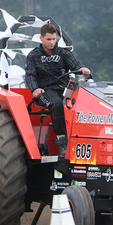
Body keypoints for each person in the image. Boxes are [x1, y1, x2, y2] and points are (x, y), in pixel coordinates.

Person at [25, 23, 91, 157]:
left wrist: (83, 69)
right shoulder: (33, 56)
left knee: (83, 103)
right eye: (48, 39)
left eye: (54, 39)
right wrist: (35, 89)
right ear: (41, 38)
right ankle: (62, 142)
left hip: (64, 89)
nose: (51, 42)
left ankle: (84, 139)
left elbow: (76, 64)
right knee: (57, 104)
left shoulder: (63, 53)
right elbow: (30, 75)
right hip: (44, 91)